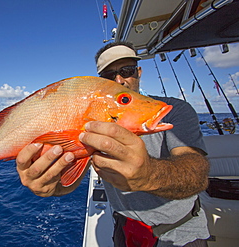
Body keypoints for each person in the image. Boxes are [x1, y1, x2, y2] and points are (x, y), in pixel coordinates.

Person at [15, 41, 210, 246]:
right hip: (125, 231)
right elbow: (68, 183)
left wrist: (149, 174)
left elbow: (196, 173)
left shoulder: (176, 110)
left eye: (127, 70)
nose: (119, 79)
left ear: (139, 72)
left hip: (181, 233)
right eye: (109, 75)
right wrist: (50, 186)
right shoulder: (95, 120)